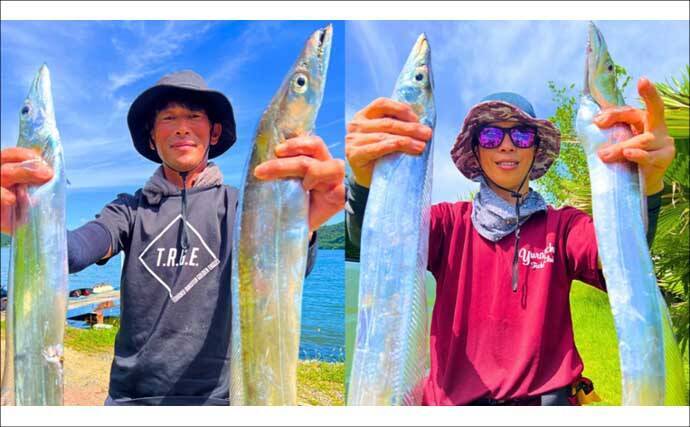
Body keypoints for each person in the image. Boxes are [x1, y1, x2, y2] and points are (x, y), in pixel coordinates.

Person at [0, 70, 345, 405]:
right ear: (152, 137)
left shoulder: (242, 207)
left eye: (194, 116)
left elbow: (280, 273)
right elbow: (74, 251)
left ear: (214, 132)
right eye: (168, 118)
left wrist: (304, 225)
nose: (182, 127)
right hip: (130, 399)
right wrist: (29, 222)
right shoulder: (128, 210)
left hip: (218, 400)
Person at [345, 78, 674, 405]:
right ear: (476, 150)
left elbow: (622, 256)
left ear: (536, 149)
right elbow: (375, 248)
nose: (506, 145)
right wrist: (362, 181)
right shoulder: (447, 223)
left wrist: (647, 181)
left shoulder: (564, 227)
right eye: (490, 135)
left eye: (521, 135)